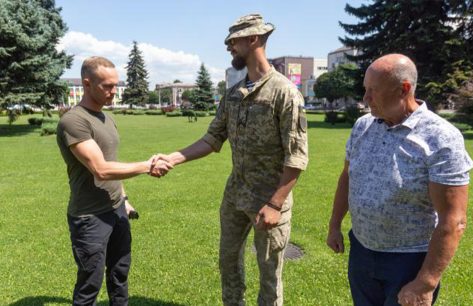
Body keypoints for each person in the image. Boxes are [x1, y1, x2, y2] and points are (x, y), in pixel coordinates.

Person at [157, 14, 308, 306]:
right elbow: (212, 139)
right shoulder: (233, 95)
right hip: (235, 196)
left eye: (233, 41)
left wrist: (275, 204)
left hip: (269, 201)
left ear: (253, 39)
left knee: (270, 277)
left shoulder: (285, 93)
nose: (228, 47)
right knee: (228, 264)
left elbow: (297, 156)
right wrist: (173, 158)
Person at [326, 53, 473, 306]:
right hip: (362, 251)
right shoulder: (363, 126)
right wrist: (334, 224)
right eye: (365, 89)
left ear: (403, 89)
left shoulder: (441, 137)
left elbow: (454, 219)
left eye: (373, 91)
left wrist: (425, 282)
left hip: (408, 262)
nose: (365, 98)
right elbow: (347, 178)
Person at [56, 56, 171, 305]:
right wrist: (147, 166)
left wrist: (125, 198)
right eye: (107, 86)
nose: (113, 92)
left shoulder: (106, 118)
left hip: (116, 208)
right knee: (90, 284)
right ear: (87, 84)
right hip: (90, 217)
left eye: (115, 85)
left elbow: (112, 161)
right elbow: (101, 169)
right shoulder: (74, 121)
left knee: (120, 274)